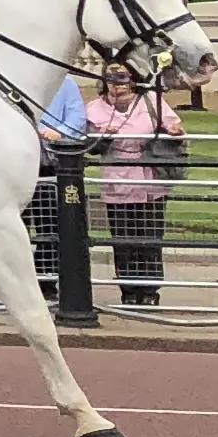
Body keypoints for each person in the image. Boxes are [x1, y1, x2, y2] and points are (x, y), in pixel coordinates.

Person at [88, 62, 184, 309]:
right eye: (111, 78)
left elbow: (175, 128)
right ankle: (129, 290)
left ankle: (150, 290)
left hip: (150, 181)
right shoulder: (94, 109)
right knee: (123, 240)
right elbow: (87, 147)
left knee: (150, 238)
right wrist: (103, 138)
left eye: (121, 78)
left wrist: (173, 131)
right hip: (116, 182)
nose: (116, 84)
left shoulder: (151, 102)